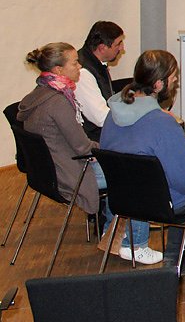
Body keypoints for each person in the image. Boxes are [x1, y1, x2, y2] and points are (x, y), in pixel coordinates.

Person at [17, 42, 160, 264]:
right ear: (58, 70)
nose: (80, 66)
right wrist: (111, 148)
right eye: (74, 63)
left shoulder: (39, 94)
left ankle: (111, 236)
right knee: (135, 174)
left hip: (50, 171)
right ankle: (135, 245)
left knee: (121, 167)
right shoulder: (57, 103)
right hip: (71, 172)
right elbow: (82, 147)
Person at [100, 50, 185, 283]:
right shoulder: (163, 123)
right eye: (173, 77)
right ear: (159, 84)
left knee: (174, 183)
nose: (176, 81)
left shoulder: (113, 115)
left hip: (126, 200)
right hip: (164, 202)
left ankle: (174, 260)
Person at [77, 21, 125, 141]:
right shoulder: (83, 74)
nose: (122, 48)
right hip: (94, 140)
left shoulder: (96, 63)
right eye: (118, 44)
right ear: (102, 48)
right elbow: (101, 118)